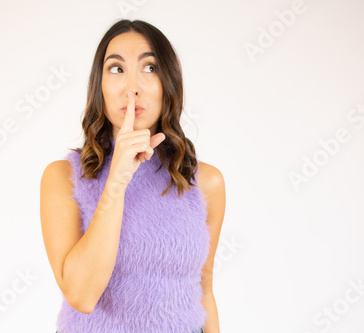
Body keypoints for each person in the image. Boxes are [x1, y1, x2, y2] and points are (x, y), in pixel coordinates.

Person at [40, 19, 225, 333]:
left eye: (150, 68)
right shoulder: (63, 178)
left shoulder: (205, 182)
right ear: (99, 85)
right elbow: (81, 296)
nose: (132, 87)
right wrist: (117, 178)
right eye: (116, 68)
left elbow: (204, 288)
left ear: (169, 83)